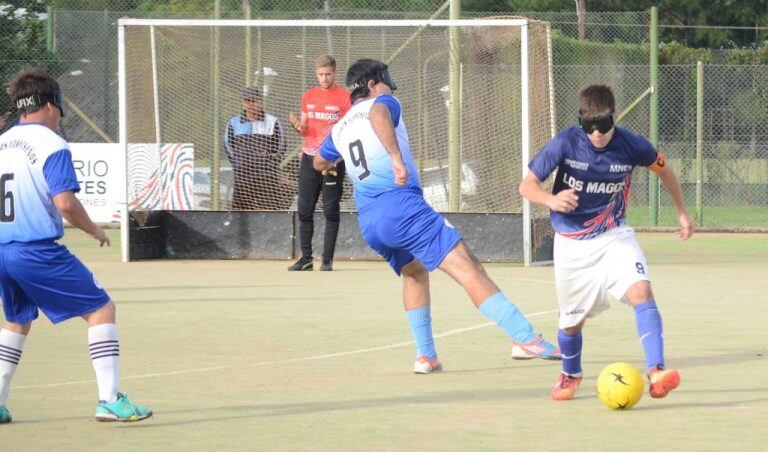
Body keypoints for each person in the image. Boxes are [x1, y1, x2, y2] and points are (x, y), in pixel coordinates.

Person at [314, 59, 561, 374]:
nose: (390, 86)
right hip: (402, 207)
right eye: (386, 80)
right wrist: (394, 158)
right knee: (468, 266)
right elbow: (377, 112)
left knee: (414, 273)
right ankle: (525, 338)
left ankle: (425, 356)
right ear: (373, 84)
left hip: (371, 221)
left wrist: (342, 157)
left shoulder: (340, 127)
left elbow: (319, 162)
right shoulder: (382, 102)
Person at [519, 85, 694, 401]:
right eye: (590, 126)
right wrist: (551, 200)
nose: (597, 133)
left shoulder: (632, 145)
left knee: (642, 289)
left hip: (614, 236)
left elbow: (664, 169)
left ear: (614, 117)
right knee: (571, 322)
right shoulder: (566, 142)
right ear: (580, 120)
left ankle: (656, 371)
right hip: (572, 244)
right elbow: (527, 186)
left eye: (604, 125)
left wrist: (682, 211)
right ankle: (571, 374)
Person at [0, 69, 152, 423]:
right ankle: (110, 400)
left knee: (16, 320)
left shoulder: (2, 142)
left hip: (2, 251)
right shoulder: (52, 144)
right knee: (101, 309)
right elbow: (65, 203)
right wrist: (93, 229)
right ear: (51, 106)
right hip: (36, 250)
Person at [288, 55, 351, 271]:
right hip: (308, 158)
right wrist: (298, 127)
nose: (324, 78)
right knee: (305, 209)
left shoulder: (344, 97)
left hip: (332, 159)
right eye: (321, 74)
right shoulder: (308, 96)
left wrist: (338, 158)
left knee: (331, 210)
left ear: (335, 73)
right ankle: (306, 258)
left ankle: (327, 259)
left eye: (328, 74)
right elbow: (305, 127)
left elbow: (348, 130)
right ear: (316, 73)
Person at [224, 87, 287, 210]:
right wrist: (239, 163)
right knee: (239, 215)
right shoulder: (234, 122)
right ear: (243, 103)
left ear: (261, 102)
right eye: (247, 101)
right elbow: (227, 146)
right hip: (243, 177)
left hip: (267, 176)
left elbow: (281, 146)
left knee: (271, 212)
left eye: (254, 100)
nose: (251, 104)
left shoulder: (273, 121)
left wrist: (270, 163)